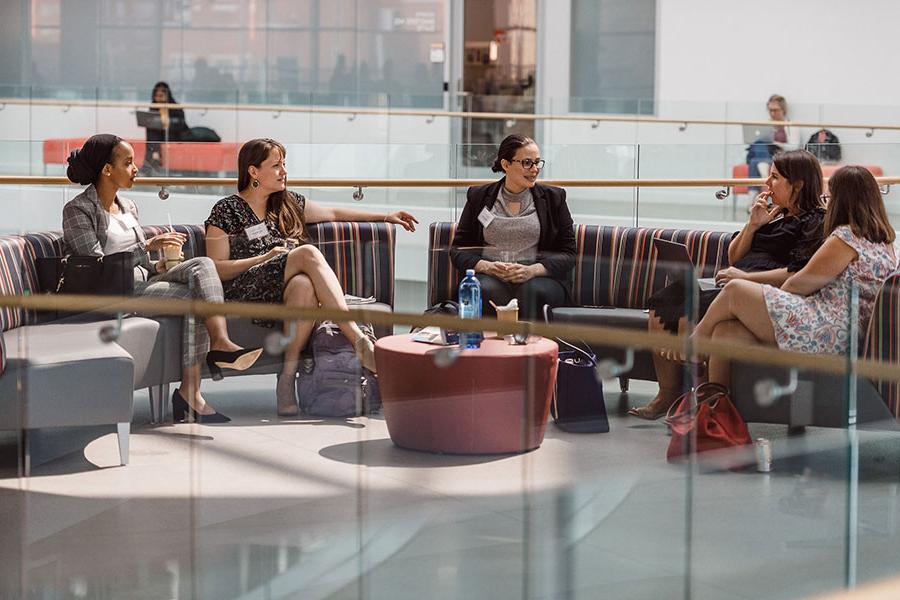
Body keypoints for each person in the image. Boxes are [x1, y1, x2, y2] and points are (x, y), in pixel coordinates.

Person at [204, 138, 418, 416]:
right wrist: (263, 259)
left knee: (304, 284)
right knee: (307, 253)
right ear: (253, 172)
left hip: (285, 290)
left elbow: (334, 212)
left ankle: (286, 380)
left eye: (284, 165)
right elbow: (216, 267)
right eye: (276, 166)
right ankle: (358, 341)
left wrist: (386, 216)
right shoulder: (226, 210)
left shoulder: (288, 203)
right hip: (245, 288)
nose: (284, 171)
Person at [63, 134, 262, 423]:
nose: (136, 169)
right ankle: (192, 393)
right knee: (197, 299)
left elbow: (142, 263)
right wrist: (147, 246)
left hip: (142, 282)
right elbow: (96, 266)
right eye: (128, 163)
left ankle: (219, 345)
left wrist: (159, 264)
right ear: (107, 169)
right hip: (113, 292)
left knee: (203, 264)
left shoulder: (129, 206)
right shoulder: (78, 209)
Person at [630, 149, 827, 419]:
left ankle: (697, 401)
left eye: (775, 178)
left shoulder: (815, 221)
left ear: (798, 184)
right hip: (736, 280)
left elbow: (798, 272)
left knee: (693, 310)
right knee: (664, 300)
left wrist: (745, 278)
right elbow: (734, 256)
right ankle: (667, 393)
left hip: (760, 290)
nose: (767, 184)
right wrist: (753, 224)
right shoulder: (775, 215)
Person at [691, 165, 897, 390]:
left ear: (841, 200)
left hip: (827, 331)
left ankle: (694, 344)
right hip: (846, 334)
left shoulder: (846, 238)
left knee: (735, 291)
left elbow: (798, 284)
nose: (826, 203)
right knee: (726, 332)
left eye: (829, 197)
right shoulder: (885, 242)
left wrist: (760, 299)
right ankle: (716, 409)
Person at [450, 134, 576, 320]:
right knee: (484, 290)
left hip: (539, 278)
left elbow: (569, 253)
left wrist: (531, 270)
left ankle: (529, 348)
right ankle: (493, 348)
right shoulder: (479, 196)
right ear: (506, 164)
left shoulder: (554, 198)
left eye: (537, 162)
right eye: (527, 163)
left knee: (532, 292)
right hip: (491, 277)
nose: (534, 170)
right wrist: (488, 267)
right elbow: (458, 250)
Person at [746, 94, 802, 183]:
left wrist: (776, 143)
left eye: (775, 110)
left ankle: (760, 185)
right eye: (770, 110)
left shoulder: (791, 126)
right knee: (759, 144)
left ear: (783, 110)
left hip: (780, 154)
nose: (772, 113)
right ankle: (764, 178)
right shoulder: (765, 126)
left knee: (754, 162)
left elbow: (794, 147)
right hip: (765, 154)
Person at [143, 81, 189, 173]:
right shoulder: (153, 107)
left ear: (167, 95)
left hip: (174, 135)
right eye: (157, 96)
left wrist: (165, 124)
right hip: (159, 137)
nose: (158, 99)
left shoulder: (175, 107)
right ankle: (155, 155)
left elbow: (181, 125)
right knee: (152, 132)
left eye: (161, 96)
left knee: (154, 136)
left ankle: (148, 166)